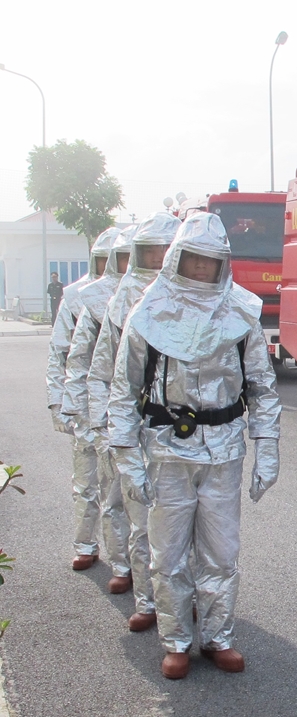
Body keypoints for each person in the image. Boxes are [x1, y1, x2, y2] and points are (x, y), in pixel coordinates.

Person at [108, 212, 280, 680]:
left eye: (211, 261)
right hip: (166, 450)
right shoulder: (146, 311)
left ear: (222, 263)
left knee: (221, 553)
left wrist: (267, 446)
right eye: (194, 259)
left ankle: (218, 637)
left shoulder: (242, 311)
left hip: (223, 450)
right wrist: (127, 458)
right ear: (176, 259)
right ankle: (176, 640)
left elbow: (262, 387)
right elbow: (123, 391)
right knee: (168, 553)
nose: (202, 269)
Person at [89, 212, 181, 631]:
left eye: (168, 251)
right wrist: (102, 426)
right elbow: (102, 369)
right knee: (138, 518)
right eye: (152, 252)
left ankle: (180, 601)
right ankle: (146, 599)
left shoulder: (192, 298)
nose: (160, 259)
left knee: (181, 529)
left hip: (175, 433)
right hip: (133, 424)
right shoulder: (120, 302)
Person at [62, 226, 136, 590]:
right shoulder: (81, 297)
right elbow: (70, 356)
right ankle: (92, 548)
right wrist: (71, 407)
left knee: (133, 494)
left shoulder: (146, 296)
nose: (119, 264)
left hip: (134, 409)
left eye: (125, 256)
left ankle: (138, 564)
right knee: (91, 485)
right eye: (114, 258)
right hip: (95, 405)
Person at [45, 227, 120, 571]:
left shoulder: (133, 296)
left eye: (115, 260)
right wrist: (58, 402)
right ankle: (85, 544)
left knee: (118, 488)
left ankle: (124, 557)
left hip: (117, 403)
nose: (108, 268)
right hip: (84, 404)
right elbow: (60, 352)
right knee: (85, 481)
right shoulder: (75, 296)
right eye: (103, 260)